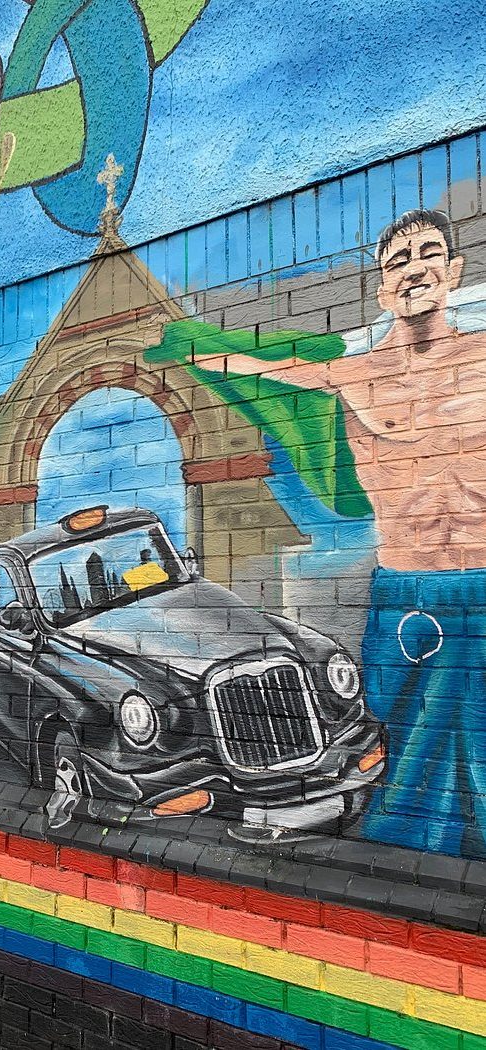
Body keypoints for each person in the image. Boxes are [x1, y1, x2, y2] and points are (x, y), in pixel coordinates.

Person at [192, 208, 486, 857]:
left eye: (428, 252)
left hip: (483, 583)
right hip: (408, 594)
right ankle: (400, 868)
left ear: (454, 271)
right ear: (381, 291)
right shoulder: (353, 377)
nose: (415, 268)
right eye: (397, 262)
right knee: (399, 746)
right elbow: (267, 367)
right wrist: (195, 351)